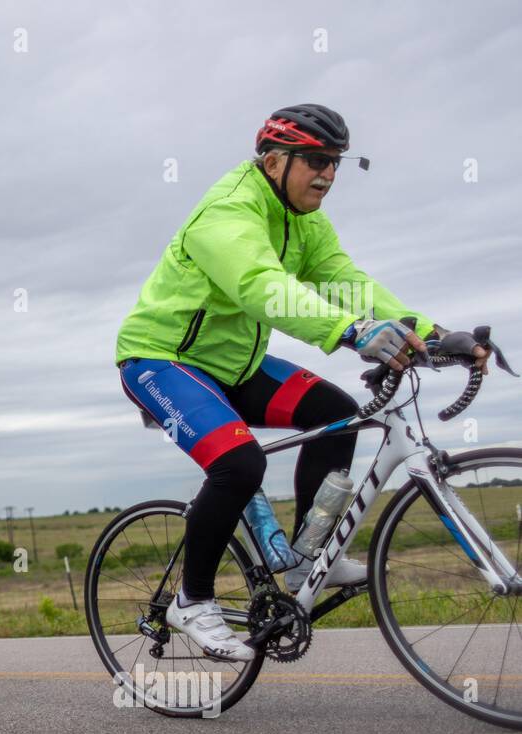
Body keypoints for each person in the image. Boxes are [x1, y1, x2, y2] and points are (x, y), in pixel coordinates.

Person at [115, 104, 491, 663]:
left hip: (235, 365)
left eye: (336, 163)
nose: (328, 175)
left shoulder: (303, 218)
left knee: (334, 412)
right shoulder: (228, 211)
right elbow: (260, 286)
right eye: (316, 161)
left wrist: (434, 332)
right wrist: (349, 332)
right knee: (240, 464)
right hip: (160, 360)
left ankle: (308, 555)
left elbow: (346, 281)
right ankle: (191, 600)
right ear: (272, 161)